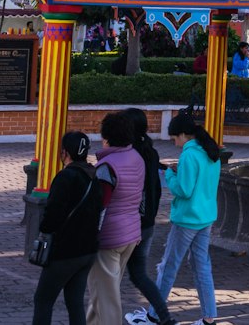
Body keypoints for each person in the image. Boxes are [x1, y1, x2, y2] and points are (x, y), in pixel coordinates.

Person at [153, 110, 222, 325]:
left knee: (168, 267)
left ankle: (154, 315)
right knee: (201, 266)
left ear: (183, 134)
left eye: (175, 139)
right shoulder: (210, 152)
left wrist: (170, 174)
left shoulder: (189, 155)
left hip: (187, 219)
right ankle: (209, 317)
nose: (175, 143)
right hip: (206, 217)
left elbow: (183, 189)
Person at [32, 131, 103, 325]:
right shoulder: (93, 176)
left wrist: (44, 230)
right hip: (87, 250)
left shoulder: (65, 177)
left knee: (43, 300)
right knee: (75, 302)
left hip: (65, 251)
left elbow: (52, 216)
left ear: (65, 153)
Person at [86, 111, 145, 325]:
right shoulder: (136, 158)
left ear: (106, 137)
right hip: (130, 234)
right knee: (102, 293)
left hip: (109, 237)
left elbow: (98, 206)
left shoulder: (106, 166)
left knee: (106, 298)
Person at [122, 109, 167, 325]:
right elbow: (156, 191)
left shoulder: (131, 155)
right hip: (147, 222)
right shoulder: (151, 152)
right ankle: (165, 317)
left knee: (109, 274)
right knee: (138, 274)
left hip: (130, 225)